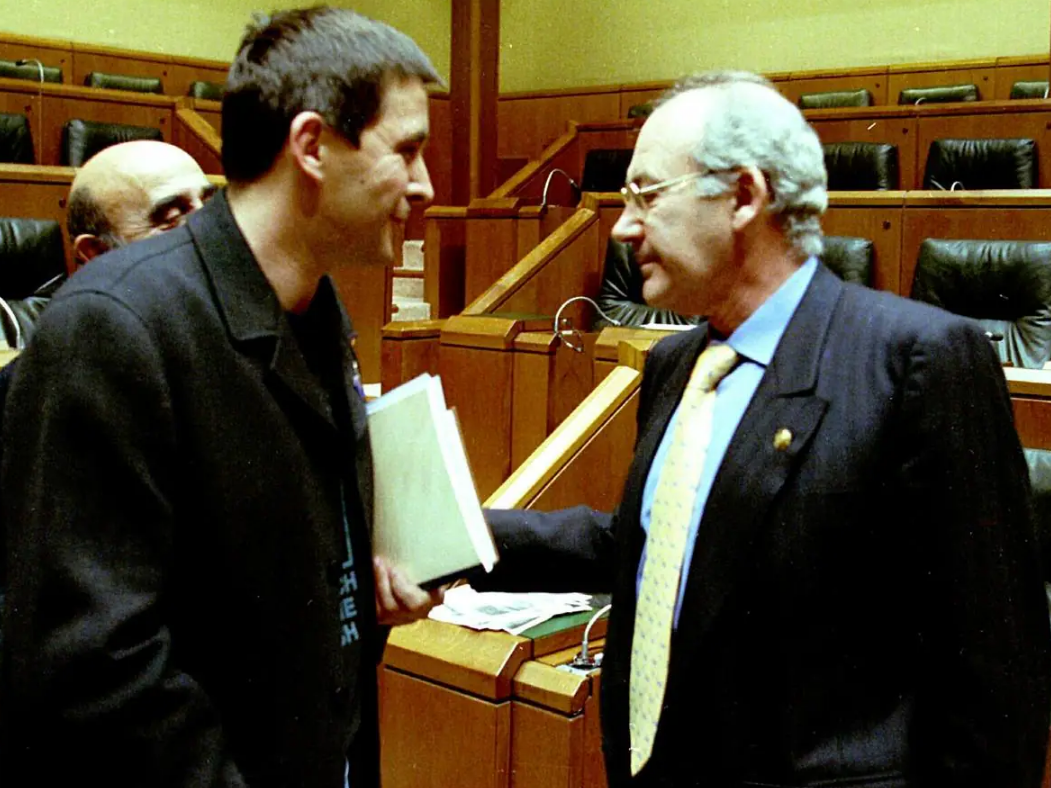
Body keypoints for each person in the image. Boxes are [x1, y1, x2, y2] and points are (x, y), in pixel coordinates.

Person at [483, 71, 1051, 787]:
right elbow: (658, 543)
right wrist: (454, 536)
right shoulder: (675, 363)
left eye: (647, 196)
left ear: (744, 196)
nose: (622, 226)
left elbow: (996, 684)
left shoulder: (916, 361)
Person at [1, 7, 442, 787]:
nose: (425, 186)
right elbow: (96, 672)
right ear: (312, 146)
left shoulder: (315, 310)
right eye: (406, 151)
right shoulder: (113, 324)